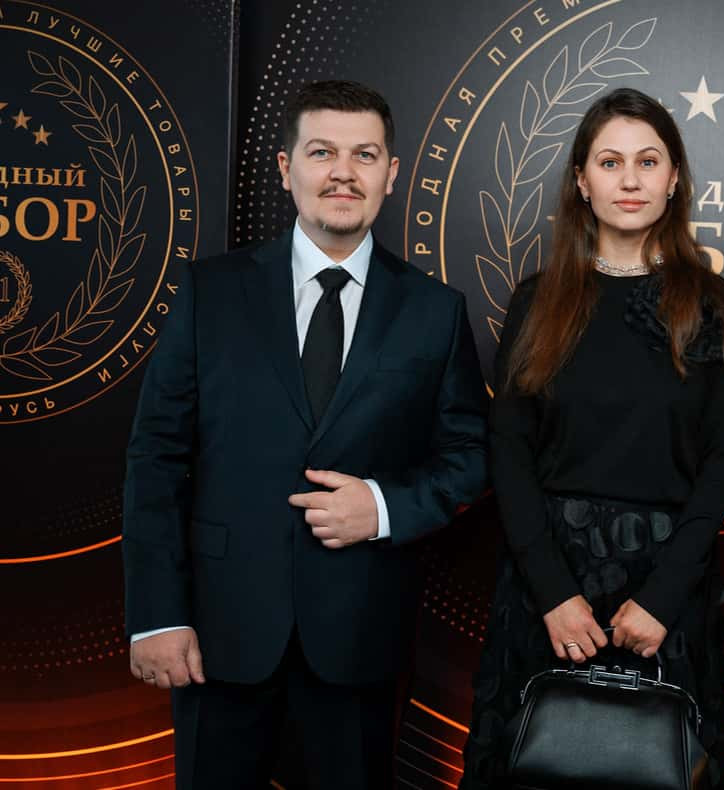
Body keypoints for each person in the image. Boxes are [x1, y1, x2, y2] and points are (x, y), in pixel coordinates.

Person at [123, 80, 488, 788]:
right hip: (217, 637)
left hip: (360, 638)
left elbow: (470, 457)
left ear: (391, 173)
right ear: (286, 168)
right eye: (322, 152)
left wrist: (382, 507)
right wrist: (156, 617)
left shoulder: (435, 311)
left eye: (364, 155)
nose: (343, 172)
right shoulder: (209, 292)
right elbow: (156, 459)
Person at [458, 87, 724, 789]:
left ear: (674, 179)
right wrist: (553, 594)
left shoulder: (716, 306)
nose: (629, 179)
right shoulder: (537, 300)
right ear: (582, 182)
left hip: (666, 589)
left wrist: (663, 599)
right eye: (610, 162)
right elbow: (509, 454)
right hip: (548, 585)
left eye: (647, 161)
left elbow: (723, 466)